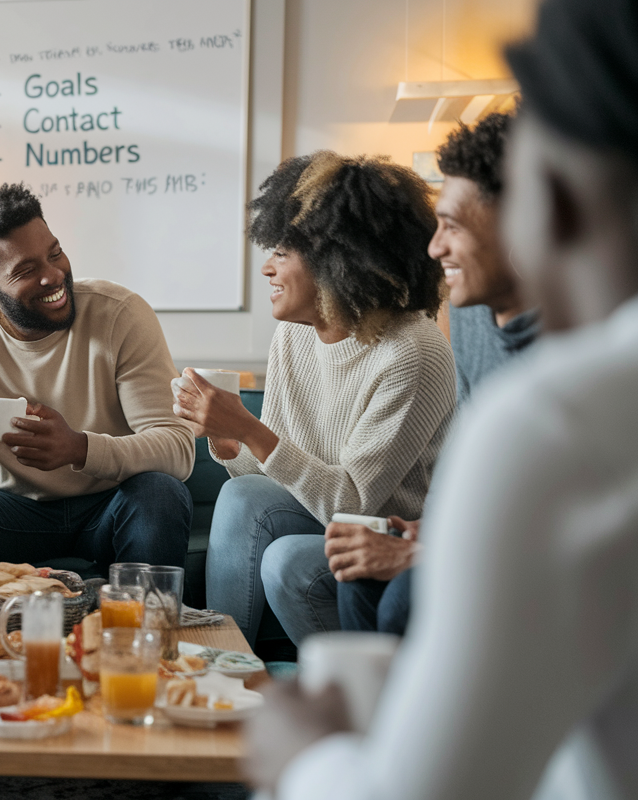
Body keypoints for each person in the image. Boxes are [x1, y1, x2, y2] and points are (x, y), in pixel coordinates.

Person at [248, 1, 638, 796]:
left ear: (549, 199)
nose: (433, 248)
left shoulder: (559, 421)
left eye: (450, 222)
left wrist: (302, 755)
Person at [175, 153, 455, 648]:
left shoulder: (412, 351)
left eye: (282, 252)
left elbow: (351, 504)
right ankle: (215, 664)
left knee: (286, 562)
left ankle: (345, 686)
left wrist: (249, 429)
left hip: (381, 532)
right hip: (320, 510)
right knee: (241, 496)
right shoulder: (293, 337)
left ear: (335, 259)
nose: (266, 267)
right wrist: (226, 438)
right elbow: (272, 476)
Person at [0, 183, 195, 607]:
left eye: (55, 253)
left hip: (110, 506)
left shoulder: (120, 314)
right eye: (25, 270)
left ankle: (140, 645)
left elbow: (178, 449)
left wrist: (80, 448)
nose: (53, 275)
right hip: (14, 514)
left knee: (160, 494)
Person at [325, 109, 540, 638]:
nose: (434, 246)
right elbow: (465, 453)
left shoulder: (581, 338)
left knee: (403, 599)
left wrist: (436, 553)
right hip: (477, 532)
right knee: (356, 577)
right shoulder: (467, 314)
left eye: (453, 226)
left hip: (535, 553)